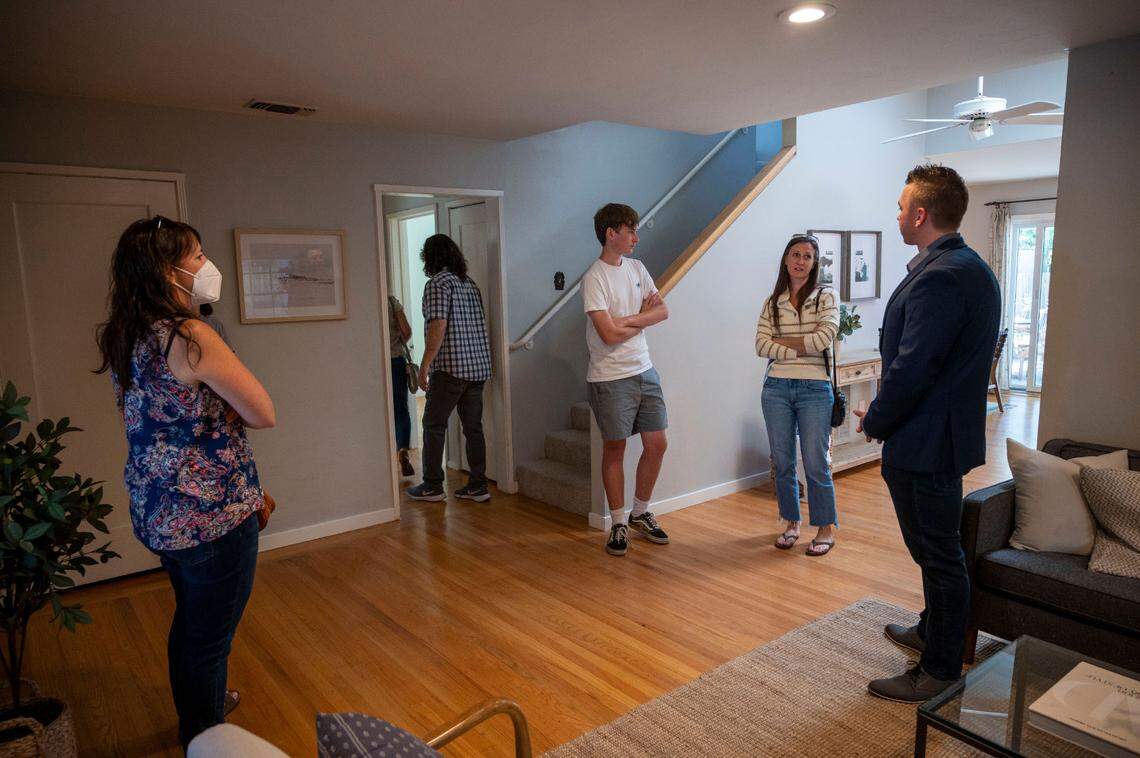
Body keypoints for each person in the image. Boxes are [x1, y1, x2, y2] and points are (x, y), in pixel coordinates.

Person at [96, 216, 276, 749]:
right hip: (211, 515)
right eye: (196, 256)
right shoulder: (189, 334)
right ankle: (205, 736)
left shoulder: (127, 333)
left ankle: (202, 708)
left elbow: (165, 417)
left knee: (192, 623)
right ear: (167, 271)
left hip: (160, 510)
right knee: (209, 638)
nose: (206, 265)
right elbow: (263, 412)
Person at [856, 165, 1000, 702]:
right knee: (934, 552)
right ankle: (931, 629)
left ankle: (940, 668)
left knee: (939, 556)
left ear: (920, 214)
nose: (896, 215)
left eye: (900, 207)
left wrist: (876, 419)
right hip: (934, 437)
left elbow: (915, 366)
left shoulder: (945, 274)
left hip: (927, 442)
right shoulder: (961, 266)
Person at [583, 203, 671, 556]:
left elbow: (663, 311)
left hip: (644, 369)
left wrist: (627, 320)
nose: (636, 237)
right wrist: (641, 317)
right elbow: (607, 335)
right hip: (609, 377)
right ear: (611, 234)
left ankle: (640, 512)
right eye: (630, 231)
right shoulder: (594, 278)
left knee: (657, 444)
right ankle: (618, 522)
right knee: (615, 450)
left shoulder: (637, 268)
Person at [755, 234, 840, 556]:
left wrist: (782, 342)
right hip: (775, 388)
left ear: (814, 263)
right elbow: (760, 345)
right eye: (795, 254)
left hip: (815, 388)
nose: (800, 261)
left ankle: (825, 529)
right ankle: (791, 523)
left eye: (807, 256)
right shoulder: (772, 302)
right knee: (783, 462)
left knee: (816, 463)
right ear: (786, 259)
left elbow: (824, 339)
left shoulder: (826, 297)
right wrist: (800, 346)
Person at [405, 234, 493, 503]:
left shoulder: (437, 284)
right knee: (473, 427)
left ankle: (432, 485)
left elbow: (438, 325)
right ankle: (478, 485)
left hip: (451, 368)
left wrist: (425, 365)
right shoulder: (469, 284)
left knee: (433, 424)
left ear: (429, 258)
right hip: (477, 367)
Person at [388, 294, 415, 477]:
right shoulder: (391, 302)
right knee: (400, 409)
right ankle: (403, 450)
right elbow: (406, 331)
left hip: (373, 361)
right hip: (396, 360)